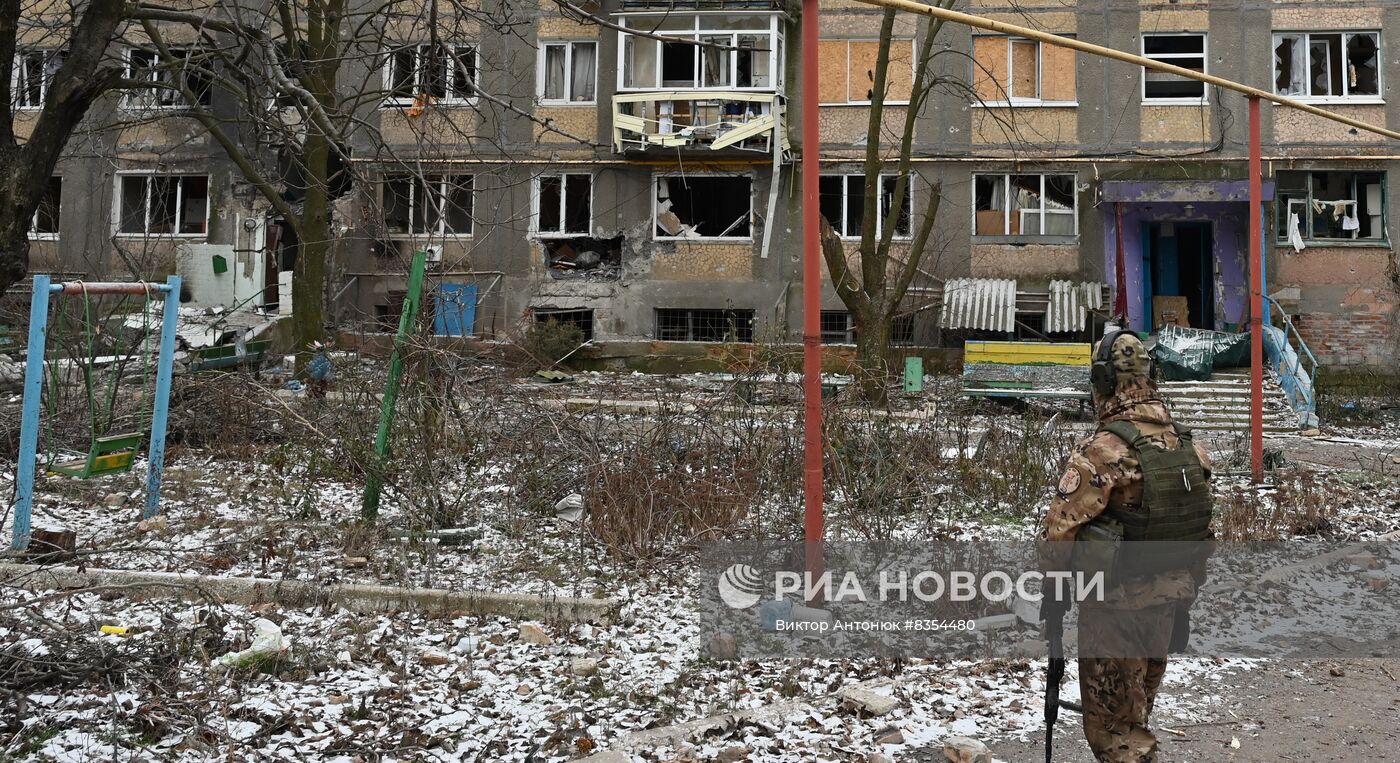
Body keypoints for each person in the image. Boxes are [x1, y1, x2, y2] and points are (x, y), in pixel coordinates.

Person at [1039, 330, 1214, 763]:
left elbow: (1058, 536)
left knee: (1117, 736)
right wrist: (1183, 598)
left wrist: (1054, 595)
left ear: (1101, 382)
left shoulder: (1102, 451)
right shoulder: (1187, 448)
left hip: (1115, 611)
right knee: (1136, 720)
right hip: (1167, 607)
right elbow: (1200, 534)